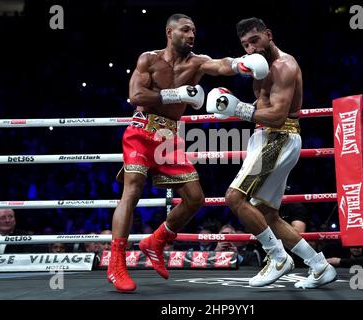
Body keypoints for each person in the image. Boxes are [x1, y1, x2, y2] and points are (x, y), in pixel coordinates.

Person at [108, 13, 269, 292]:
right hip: (141, 130)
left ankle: (155, 241)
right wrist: (176, 95)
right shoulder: (149, 59)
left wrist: (241, 64)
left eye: (194, 30)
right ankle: (116, 263)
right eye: (185, 30)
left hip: (169, 135)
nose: (192, 34)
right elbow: (136, 96)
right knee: (132, 191)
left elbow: (220, 66)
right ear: (169, 32)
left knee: (195, 198)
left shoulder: (197, 62)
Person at [206, 17, 337, 289]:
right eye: (245, 44)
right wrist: (235, 104)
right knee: (267, 214)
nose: (251, 48)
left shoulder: (284, 66)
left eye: (255, 40)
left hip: (278, 137)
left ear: (268, 35)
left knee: (234, 197)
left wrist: (237, 109)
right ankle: (319, 265)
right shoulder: (257, 66)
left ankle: (278, 258)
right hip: (265, 137)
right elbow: (264, 102)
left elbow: (277, 115)